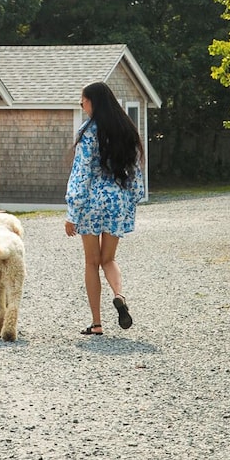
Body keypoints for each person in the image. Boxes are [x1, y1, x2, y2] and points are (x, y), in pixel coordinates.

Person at [64, 81, 146, 336]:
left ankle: (97, 323)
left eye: (83, 102)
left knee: (92, 262)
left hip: (90, 202)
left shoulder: (88, 132)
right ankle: (119, 295)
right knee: (108, 259)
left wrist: (72, 212)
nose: (82, 105)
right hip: (116, 201)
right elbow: (134, 171)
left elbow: (81, 173)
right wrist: (133, 198)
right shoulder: (126, 130)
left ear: (93, 102)